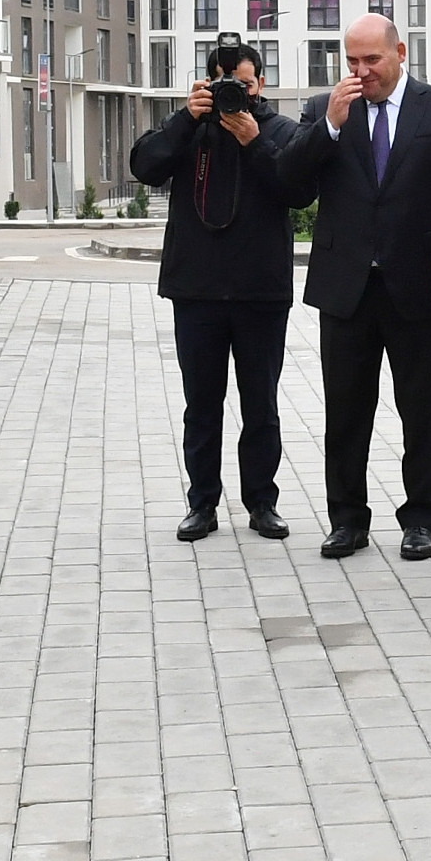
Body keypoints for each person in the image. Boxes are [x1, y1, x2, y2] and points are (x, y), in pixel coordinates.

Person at [276, 13, 431, 560]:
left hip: (420, 287)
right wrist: (329, 127)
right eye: (352, 61)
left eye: (372, 61)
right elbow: (291, 184)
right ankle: (347, 519)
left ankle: (422, 519)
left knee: (422, 411)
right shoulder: (324, 109)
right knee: (346, 411)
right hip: (346, 289)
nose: (362, 72)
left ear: (400, 53)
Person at [130, 38, 298, 543]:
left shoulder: (279, 130)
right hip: (197, 290)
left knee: (260, 405)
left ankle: (261, 504)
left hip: (260, 293)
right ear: (205, 85)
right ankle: (202, 504)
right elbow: (144, 166)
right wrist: (186, 117)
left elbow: (298, 187)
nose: (235, 95)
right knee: (201, 404)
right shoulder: (191, 129)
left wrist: (253, 141)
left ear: (261, 84)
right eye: (226, 86)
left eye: (244, 85)